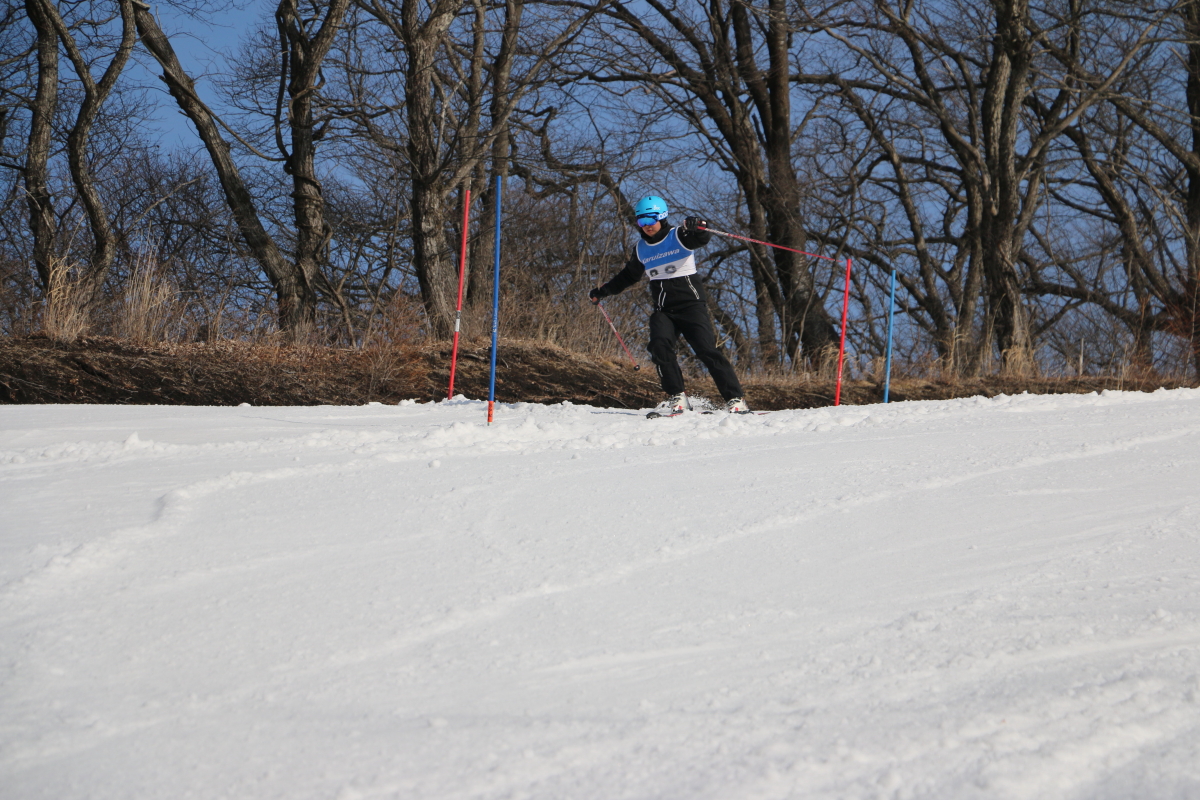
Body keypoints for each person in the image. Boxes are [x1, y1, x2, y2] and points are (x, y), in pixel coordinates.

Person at [589, 195, 750, 415]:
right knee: (659, 346)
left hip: (691, 307)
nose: (646, 226)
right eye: (641, 221)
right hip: (664, 310)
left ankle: (735, 399)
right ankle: (678, 396)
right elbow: (628, 276)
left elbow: (700, 238)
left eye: (651, 220)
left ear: (662, 217)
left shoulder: (679, 235)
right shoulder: (641, 249)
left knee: (706, 350)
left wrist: (699, 225)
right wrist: (603, 291)